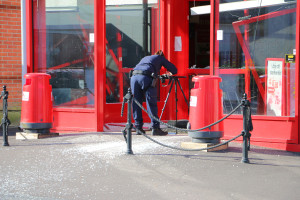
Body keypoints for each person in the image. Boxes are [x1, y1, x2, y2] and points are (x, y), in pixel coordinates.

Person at [130, 50, 177, 136]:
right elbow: (174, 70)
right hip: (146, 77)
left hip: (134, 77)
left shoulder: (146, 58)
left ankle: (138, 127)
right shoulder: (160, 58)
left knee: (136, 102)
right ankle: (155, 128)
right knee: (151, 103)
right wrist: (169, 73)